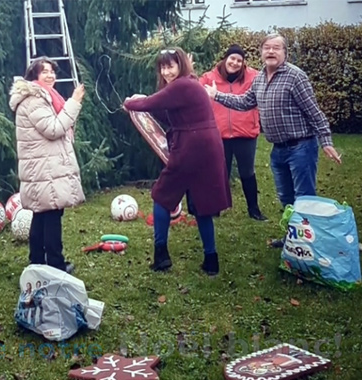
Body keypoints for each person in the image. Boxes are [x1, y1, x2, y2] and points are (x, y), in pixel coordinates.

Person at [204, 34, 341, 247]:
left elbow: (315, 113)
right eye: (267, 47)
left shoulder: (296, 77)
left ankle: (309, 245)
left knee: (304, 198)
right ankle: (292, 238)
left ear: (285, 53)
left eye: (276, 48)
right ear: (260, 52)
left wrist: (326, 141)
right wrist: (217, 95)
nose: (270, 51)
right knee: (286, 198)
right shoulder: (259, 79)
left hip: (301, 147)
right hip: (278, 150)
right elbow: (245, 102)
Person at [123, 47, 231, 276]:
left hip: (191, 147)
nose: (166, 71)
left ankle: (161, 256)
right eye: (162, 67)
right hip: (207, 146)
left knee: (161, 196)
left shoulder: (182, 85)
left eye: (170, 65)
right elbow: (166, 114)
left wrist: (130, 102)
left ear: (181, 64)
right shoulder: (189, 85)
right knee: (202, 203)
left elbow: (147, 104)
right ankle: (211, 260)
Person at [8, 56, 86, 274]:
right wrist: (74, 102)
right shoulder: (34, 99)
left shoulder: (43, 96)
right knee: (51, 216)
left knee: (42, 215)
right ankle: (55, 264)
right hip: (44, 169)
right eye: (45, 72)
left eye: (52, 71)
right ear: (34, 76)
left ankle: (37, 262)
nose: (51, 75)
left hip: (43, 168)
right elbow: (53, 129)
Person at [200, 44, 267, 221]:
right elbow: (195, 97)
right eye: (232, 58)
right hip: (218, 134)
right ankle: (215, 208)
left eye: (239, 60)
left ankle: (254, 209)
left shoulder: (254, 77)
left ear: (243, 62)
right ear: (225, 59)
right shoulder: (208, 78)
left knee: (247, 173)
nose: (235, 63)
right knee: (220, 173)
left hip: (245, 134)